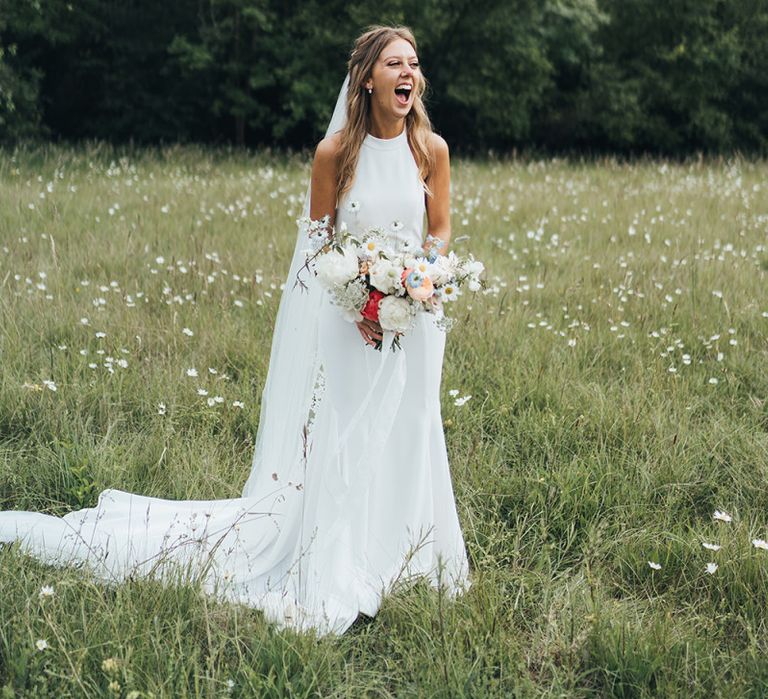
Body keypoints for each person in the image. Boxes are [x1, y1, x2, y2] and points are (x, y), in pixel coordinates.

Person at [0, 25, 471, 636]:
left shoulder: (430, 149)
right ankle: (339, 558)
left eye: (413, 63)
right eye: (394, 63)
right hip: (351, 319)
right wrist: (361, 297)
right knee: (348, 435)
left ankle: (406, 556)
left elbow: (441, 230)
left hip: (416, 320)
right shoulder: (335, 154)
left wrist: (419, 278)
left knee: (412, 428)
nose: (408, 72)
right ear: (367, 79)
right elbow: (318, 242)